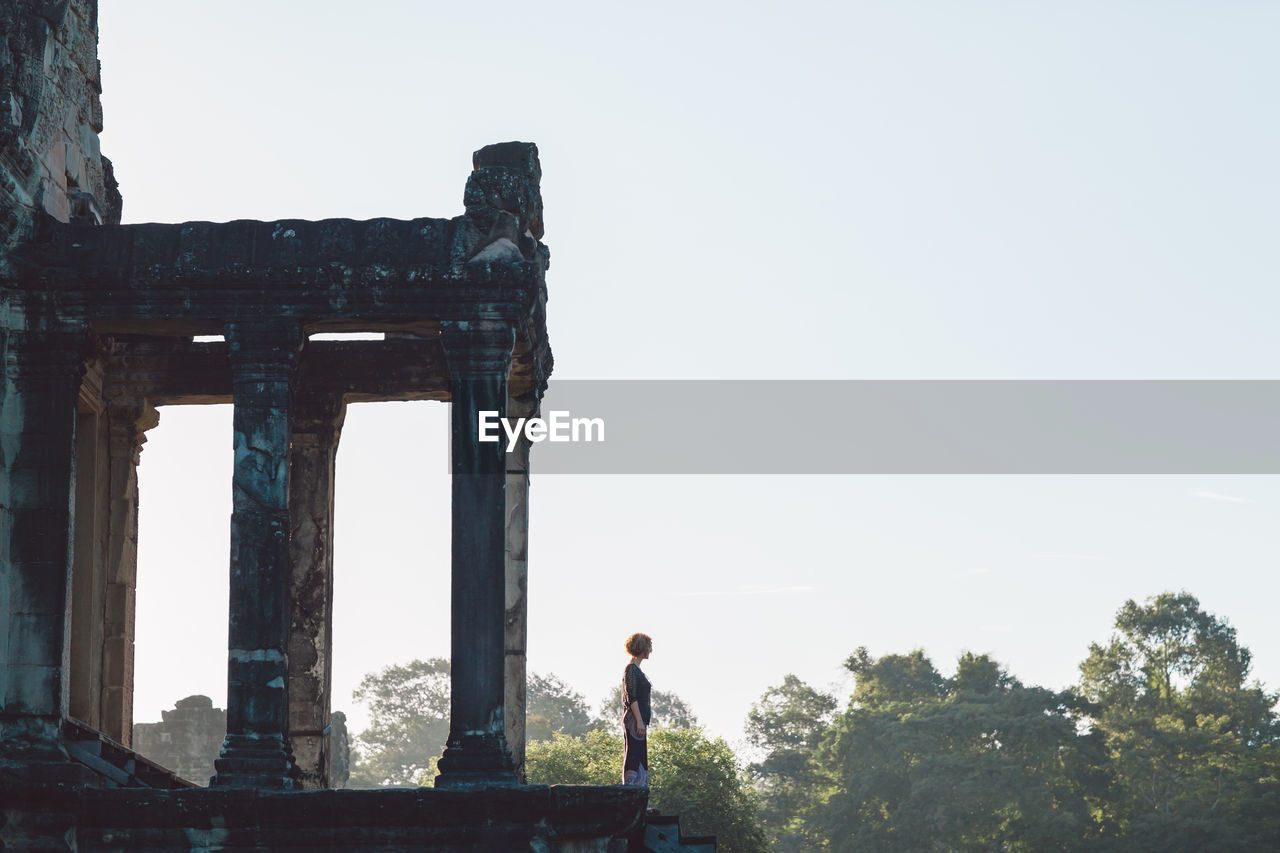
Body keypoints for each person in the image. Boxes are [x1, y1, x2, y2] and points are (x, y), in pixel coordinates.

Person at [621, 632, 653, 786]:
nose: (651, 650)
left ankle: (638, 789)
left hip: (639, 718)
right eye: (649, 646)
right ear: (643, 648)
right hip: (634, 718)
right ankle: (630, 787)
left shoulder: (637, 671)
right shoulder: (631, 669)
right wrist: (639, 720)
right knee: (634, 753)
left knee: (639, 753)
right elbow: (631, 696)